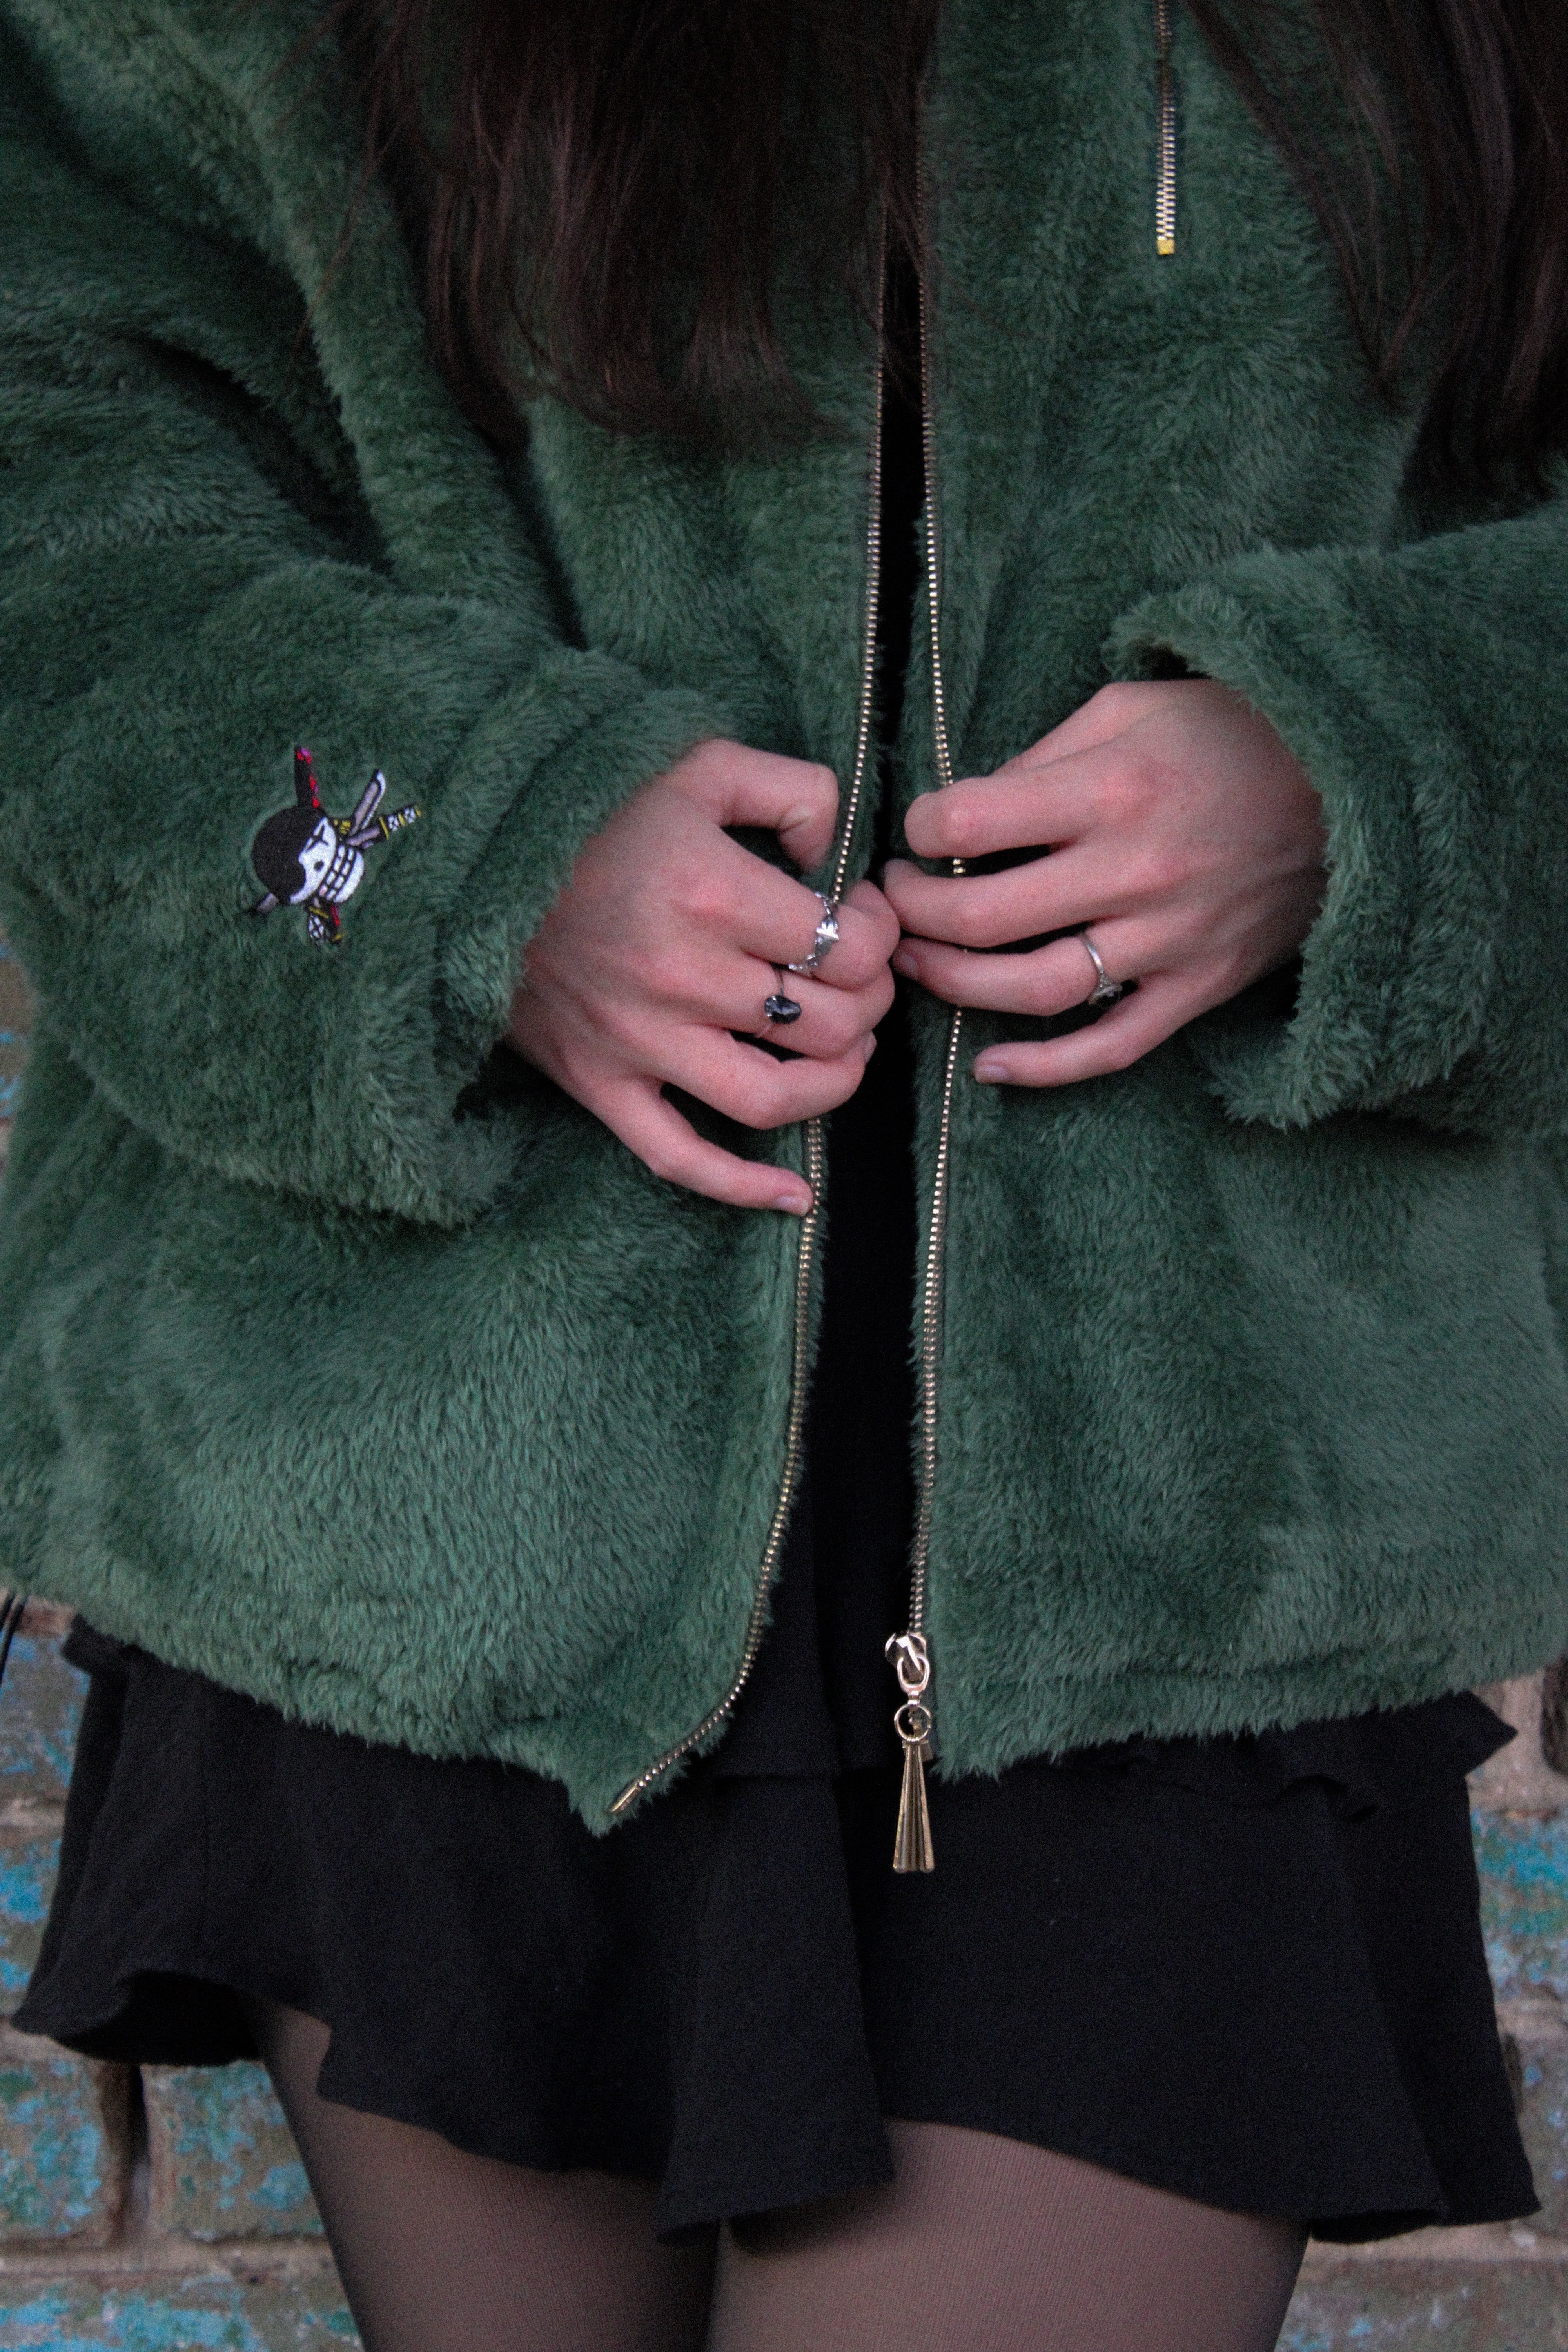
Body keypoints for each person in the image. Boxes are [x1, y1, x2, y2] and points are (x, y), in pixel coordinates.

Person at [1, 0, 1564, 2345]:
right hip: (433, 1462)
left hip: (1199, 1510)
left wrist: (1381, 779)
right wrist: (455, 856)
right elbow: (59, 432)